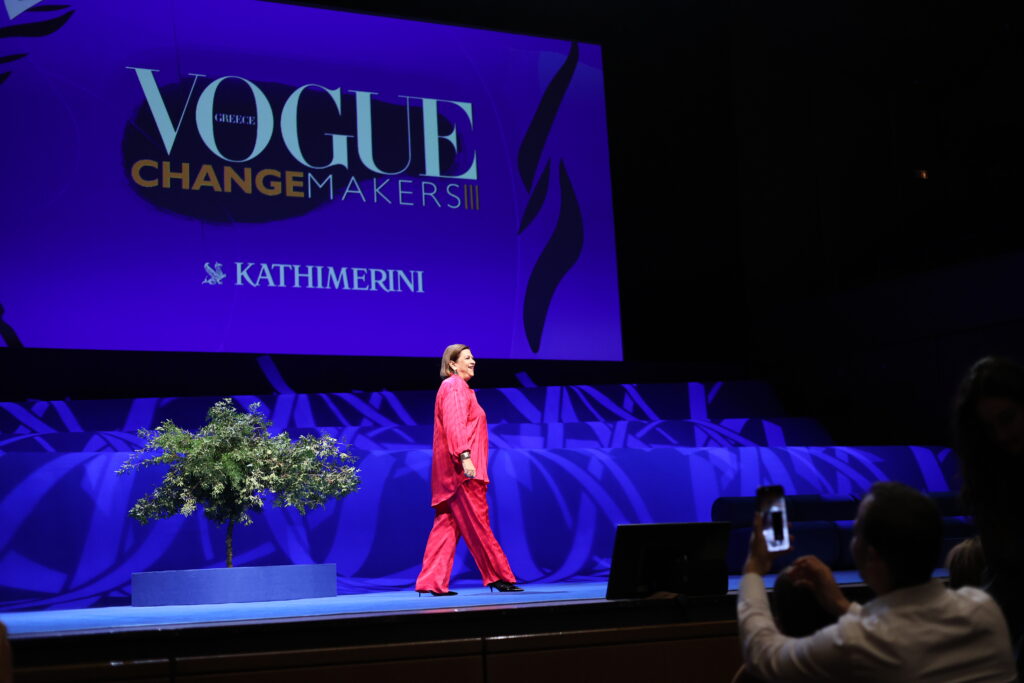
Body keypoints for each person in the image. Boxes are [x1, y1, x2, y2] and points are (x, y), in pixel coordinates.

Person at [738, 481, 1016, 682]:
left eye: (856, 532)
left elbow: (765, 656)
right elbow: (902, 633)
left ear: (871, 555)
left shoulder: (858, 642)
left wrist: (754, 567)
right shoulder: (984, 608)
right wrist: (840, 604)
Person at [414, 344, 521, 596]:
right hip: (462, 474)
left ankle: (431, 582)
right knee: (478, 524)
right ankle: (498, 576)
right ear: (453, 364)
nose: (473, 361)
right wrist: (465, 458)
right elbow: (455, 425)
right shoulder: (454, 387)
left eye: (473, 357)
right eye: (467, 357)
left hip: (452, 473)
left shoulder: (459, 389)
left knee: (446, 525)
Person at [955, 356, 1024, 672]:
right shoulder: (993, 482)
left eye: (1007, 419)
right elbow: (1005, 578)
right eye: (988, 428)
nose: (1001, 436)